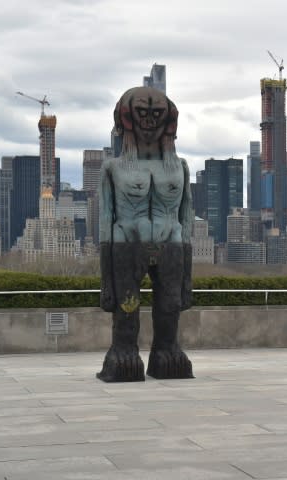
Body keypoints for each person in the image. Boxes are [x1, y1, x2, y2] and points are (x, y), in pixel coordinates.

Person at [97, 86, 194, 382]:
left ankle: (167, 350)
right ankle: (123, 351)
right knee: (127, 307)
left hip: (172, 244)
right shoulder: (113, 167)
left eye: (156, 114)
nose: (149, 121)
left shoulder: (180, 166)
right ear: (127, 116)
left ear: (168, 119)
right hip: (125, 244)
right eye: (142, 112)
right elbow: (105, 221)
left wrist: (187, 278)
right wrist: (106, 282)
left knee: (170, 306)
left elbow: (186, 219)